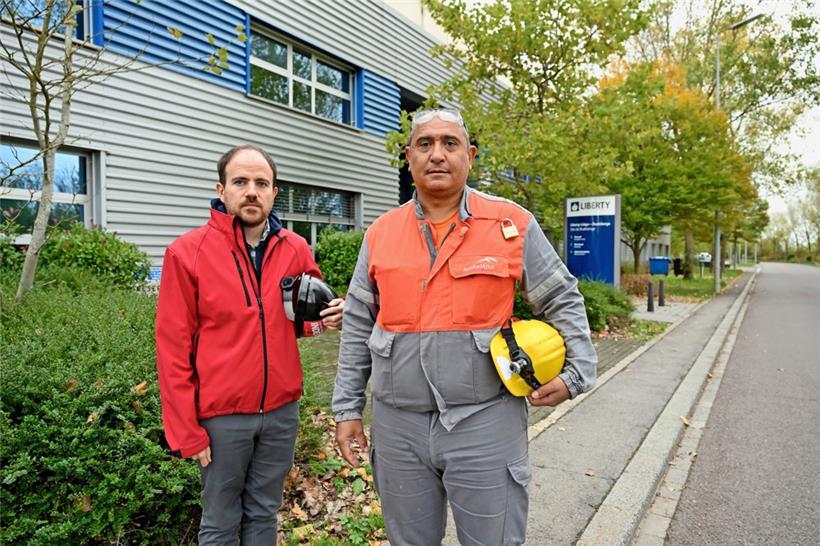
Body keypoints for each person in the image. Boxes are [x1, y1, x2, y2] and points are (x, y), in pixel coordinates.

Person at [332, 109, 597, 545]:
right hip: (400, 428)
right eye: (425, 144)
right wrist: (346, 410)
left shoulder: (511, 224)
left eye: (450, 144)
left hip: (486, 421)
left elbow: (561, 296)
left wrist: (577, 373)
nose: (437, 154)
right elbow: (359, 324)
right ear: (409, 157)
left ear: (469, 156)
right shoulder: (380, 233)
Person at [155, 144, 344, 544]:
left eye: (262, 183)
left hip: (280, 412)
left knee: (263, 513)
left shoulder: (294, 248)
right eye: (240, 181)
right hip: (222, 417)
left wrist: (329, 320)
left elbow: (302, 322)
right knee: (221, 520)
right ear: (221, 190)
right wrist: (185, 430)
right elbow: (172, 350)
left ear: (275, 192)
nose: (252, 191)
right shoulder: (187, 253)